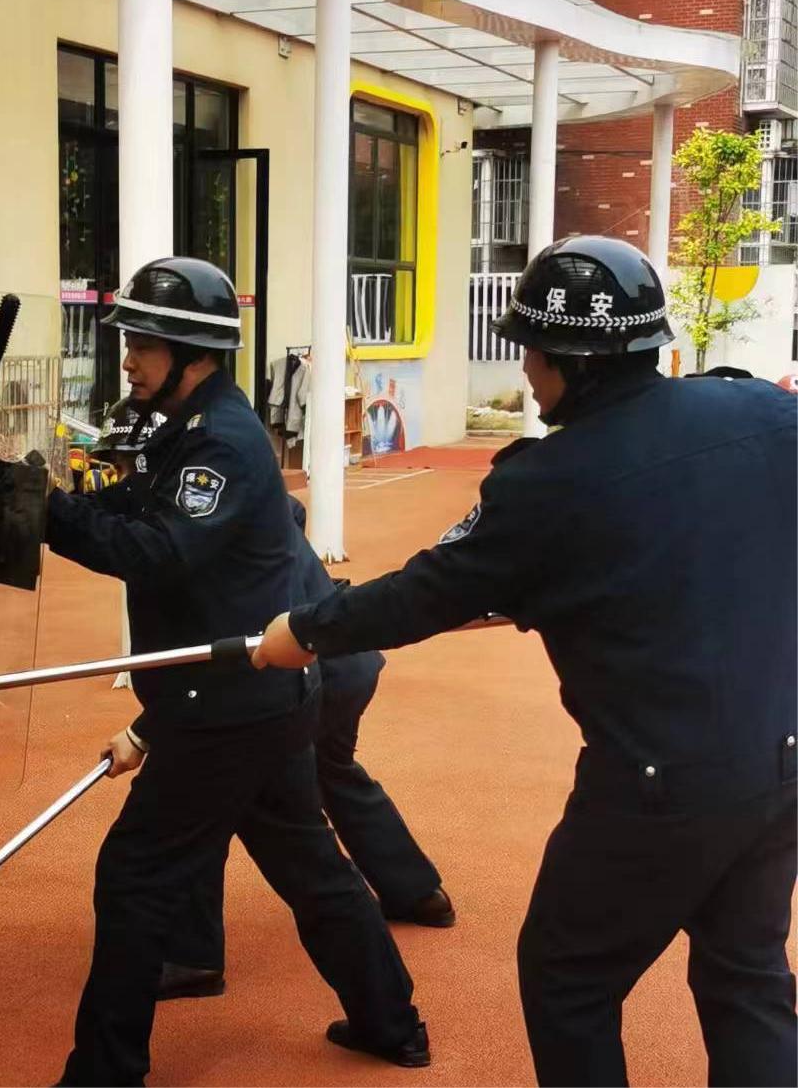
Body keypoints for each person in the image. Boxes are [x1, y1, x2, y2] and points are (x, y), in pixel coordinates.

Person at [253, 236, 798, 1087]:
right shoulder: (764, 413)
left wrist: (304, 630)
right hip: (781, 755)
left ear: (569, 364)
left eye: (532, 353)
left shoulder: (550, 481)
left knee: (569, 977)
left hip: (658, 782)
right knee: (747, 975)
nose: (525, 372)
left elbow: (427, 592)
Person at [45, 256, 426, 1086]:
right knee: (308, 865)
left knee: (134, 874)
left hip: (225, 707)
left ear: (194, 352)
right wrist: (40, 499)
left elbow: (159, 551)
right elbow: (126, 505)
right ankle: (391, 1022)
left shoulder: (219, 439)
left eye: (144, 344)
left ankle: (104, 1072)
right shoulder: (180, 426)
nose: (129, 359)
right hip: (255, 697)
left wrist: (47, 517)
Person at [159, 496, 453, 1001]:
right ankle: (417, 892)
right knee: (333, 770)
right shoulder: (252, 504)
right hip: (347, 662)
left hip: (310, 670)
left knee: (212, 792)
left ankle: (192, 955)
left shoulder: (203, 520)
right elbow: (292, 510)